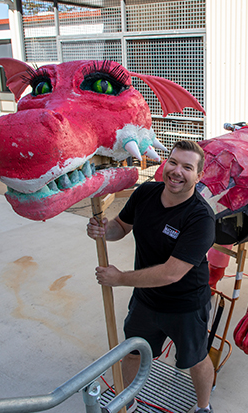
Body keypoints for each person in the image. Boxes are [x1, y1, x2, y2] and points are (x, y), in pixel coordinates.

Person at [87, 140, 216, 413]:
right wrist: (103, 230)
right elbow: (121, 227)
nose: (177, 171)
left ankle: (203, 407)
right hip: (146, 300)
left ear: (199, 175)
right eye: (173, 162)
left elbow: (171, 273)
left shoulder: (201, 218)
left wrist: (120, 278)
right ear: (165, 164)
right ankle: (127, 400)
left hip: (186, 305)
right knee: (132, 351)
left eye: (187, 167)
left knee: (196, 359)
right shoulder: (145, 193)